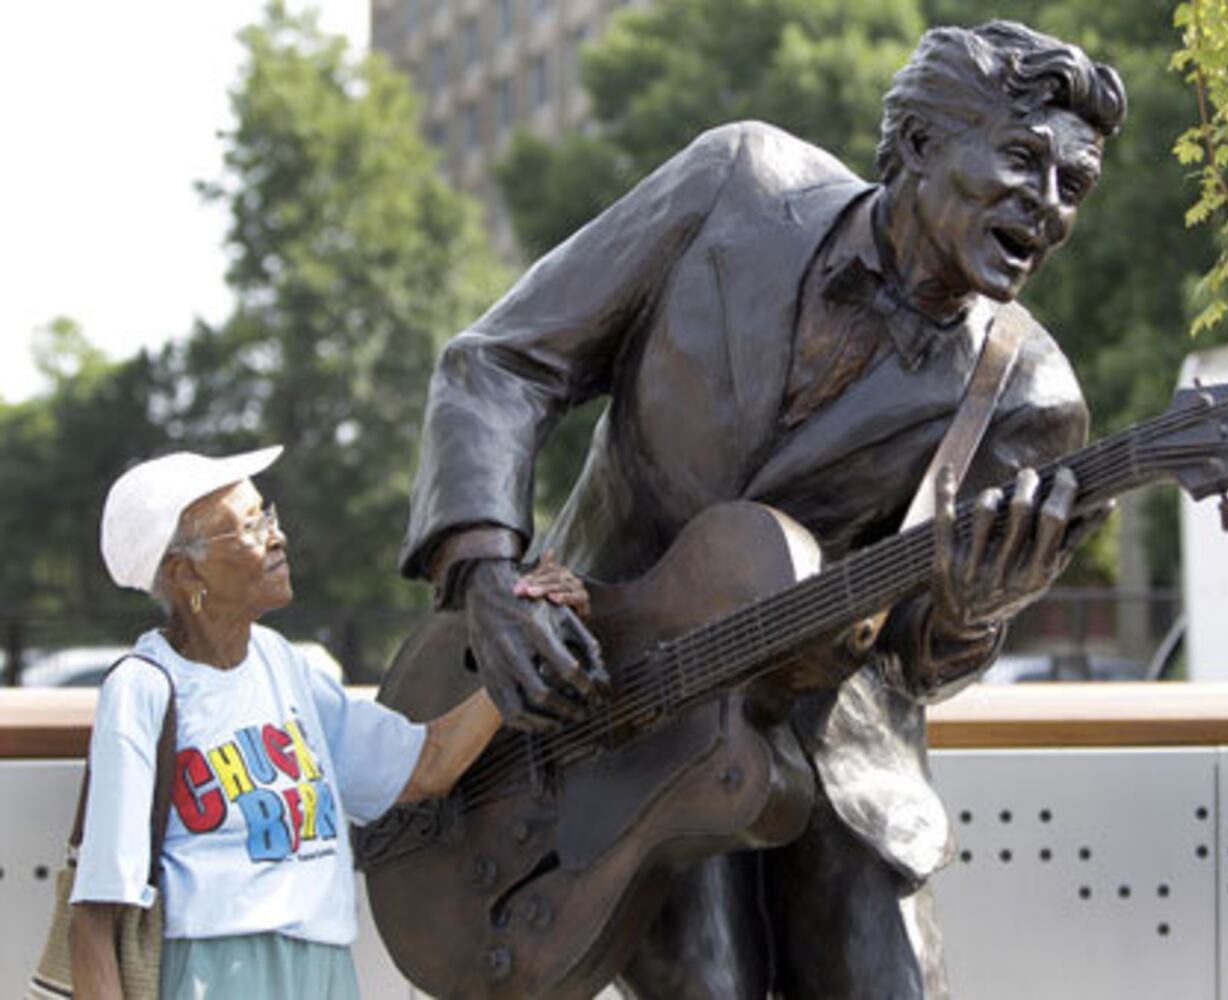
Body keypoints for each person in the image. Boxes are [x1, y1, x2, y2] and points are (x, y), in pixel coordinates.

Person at [401, 20, 1125, 998]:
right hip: (608, 698)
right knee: (707, 981)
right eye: (1021, 161)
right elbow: (500, 364)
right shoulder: (733, 186)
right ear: (919, 143)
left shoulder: (1029, 398)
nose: (1047, 206)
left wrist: (972, 611)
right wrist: (488, 580)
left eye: (1072, 184)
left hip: (830, 746)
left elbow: (915, 654)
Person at [69, 445, 582, 999]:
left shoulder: (282, 663)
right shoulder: (143, 689)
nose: (277, 536)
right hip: (212, 975)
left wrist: (531, 643)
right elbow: (96, 917)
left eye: (268, 514)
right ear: (183, 571)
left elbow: (427, 763)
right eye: (250, 526)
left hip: (322, 970)